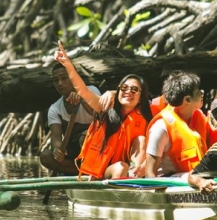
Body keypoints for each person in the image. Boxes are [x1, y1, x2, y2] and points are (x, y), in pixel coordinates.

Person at [54, 41, 153, 179]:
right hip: (100, 172)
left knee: (141, 140)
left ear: (141, 97)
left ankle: (135, 177)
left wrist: (146, 163)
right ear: (118, 91)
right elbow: (82, 90)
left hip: (127, 171)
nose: (128, 92)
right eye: (124, 88)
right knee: (120, 168)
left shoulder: (147, 112)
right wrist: (68, 65)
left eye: (134, 89)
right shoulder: (105, 108)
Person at [39, 63, 101, 175]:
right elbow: (56, 139)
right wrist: (57, 151)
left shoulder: (91, 91)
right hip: (74, 151)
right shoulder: (55, 109)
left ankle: (89, 167)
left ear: (73, 78)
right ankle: (83, 170)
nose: (60, 83)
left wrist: (82, 99)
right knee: (45, 157)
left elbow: (99, 114)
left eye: (64, 78)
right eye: (56, 80)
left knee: (85, 137)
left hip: (96, 148)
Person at [145, 71, 208, 178]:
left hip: (197, 180)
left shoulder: (199, 116)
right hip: (170, 185)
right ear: (187, 99)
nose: (202, 93)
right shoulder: (161, 128)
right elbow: (149, 173)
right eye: (198, 91)